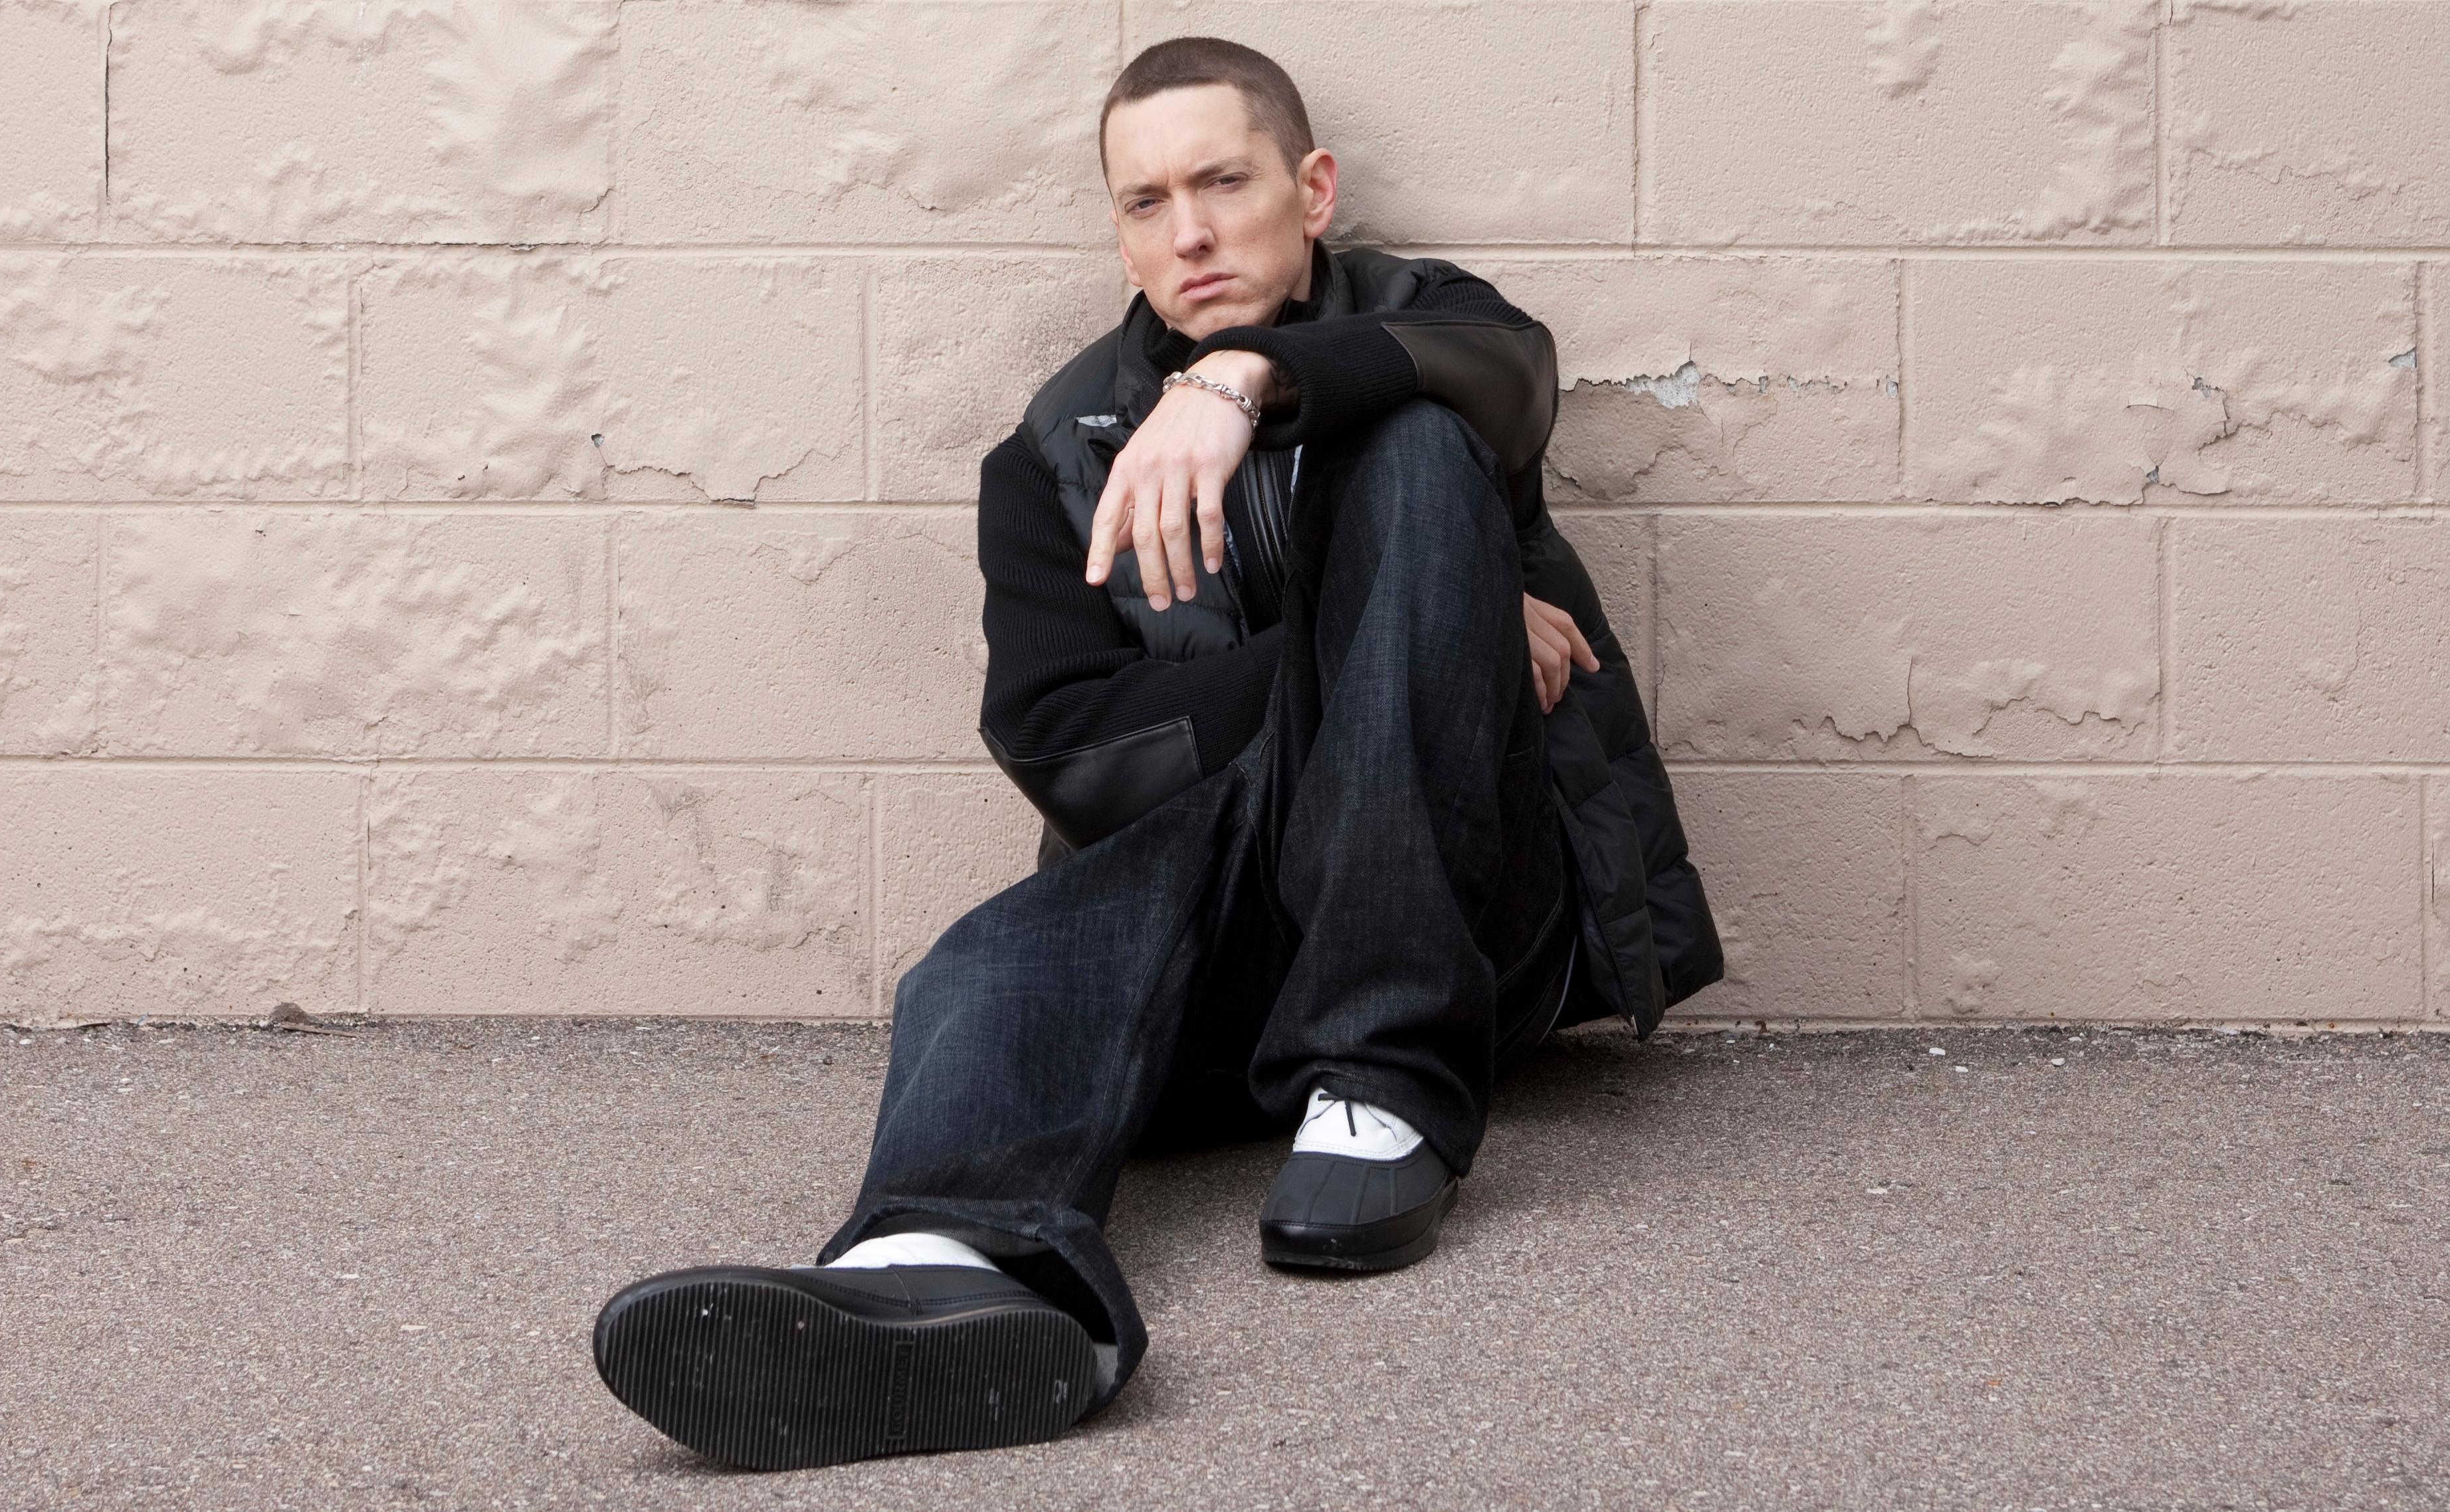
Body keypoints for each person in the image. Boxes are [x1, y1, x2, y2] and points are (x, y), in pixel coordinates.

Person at [590, 36, 1725, 1471]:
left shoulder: (1439, 326)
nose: (1188, 233)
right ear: (1120, 234)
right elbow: (1066, 751)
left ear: (1313, 191)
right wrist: (1392, 632)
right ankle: (937, 1266)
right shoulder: (1051, 458)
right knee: (1013, 941)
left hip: (1478, 922)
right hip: (1226, 964)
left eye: (1223, 183)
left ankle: (1386, 1084)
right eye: (1145, 203)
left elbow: (1509, 381)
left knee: (1418, 452)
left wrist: (1239, 383)